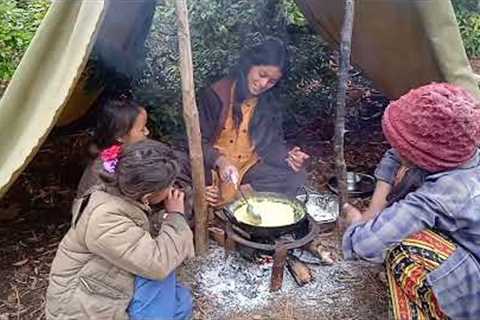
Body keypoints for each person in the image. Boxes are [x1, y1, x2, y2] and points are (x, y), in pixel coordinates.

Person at [342, 83, 480, 319]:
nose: (394, 148)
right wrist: (373, 211)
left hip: (475, 293)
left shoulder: (445, 193)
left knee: (403, 247)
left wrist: (356, 224)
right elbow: (397, 153)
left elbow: (364, 246)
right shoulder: (461, 150)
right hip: (468, 252)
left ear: (423, 152)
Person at [46, 139, 195, 320]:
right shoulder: (105, 220)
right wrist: (176, 216)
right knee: (161, 274)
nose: (172, 189)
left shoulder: (116, 193)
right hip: (81, 310)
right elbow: (157, 265)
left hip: (101, 284)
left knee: (181, 302)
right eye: (168, 186)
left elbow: (139, 232)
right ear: (147, 197)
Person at [199, 38, 310, 207]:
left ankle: (240, 199)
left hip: (247, 172)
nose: (264, 84)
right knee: (183, 184)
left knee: (296, 175)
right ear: (248, 67)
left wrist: (288, 157)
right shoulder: (215, 95)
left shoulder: (269, 103)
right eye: (262, 74)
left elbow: (271, 144)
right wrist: (221, 162)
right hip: (213, 170)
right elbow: (197, 143)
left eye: (272, 81)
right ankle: (225, 200)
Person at [76, 98, 193, 218]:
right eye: (142, 129)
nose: (147, 132)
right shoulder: (104, 173)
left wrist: (189, 193)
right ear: (120, 136)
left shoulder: (135, 155)